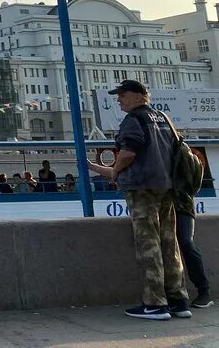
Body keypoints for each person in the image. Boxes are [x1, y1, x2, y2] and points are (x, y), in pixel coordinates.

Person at [87, 79, 188, 320]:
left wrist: (114, 171)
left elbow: (129, 152)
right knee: (169, 243)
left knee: (148, 245)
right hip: (166, 187)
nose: (119, 99)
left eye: (123, 94)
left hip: (142, 188)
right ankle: (178, 300)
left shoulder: (134, 120)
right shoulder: (163, 117)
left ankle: (154, 304)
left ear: (139, 95)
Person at [175, 151, 212, 308]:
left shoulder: (181, 152)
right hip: (177, 205)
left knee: (186, 242)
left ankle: (204, 291)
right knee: (183, 243)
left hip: (181, 205)